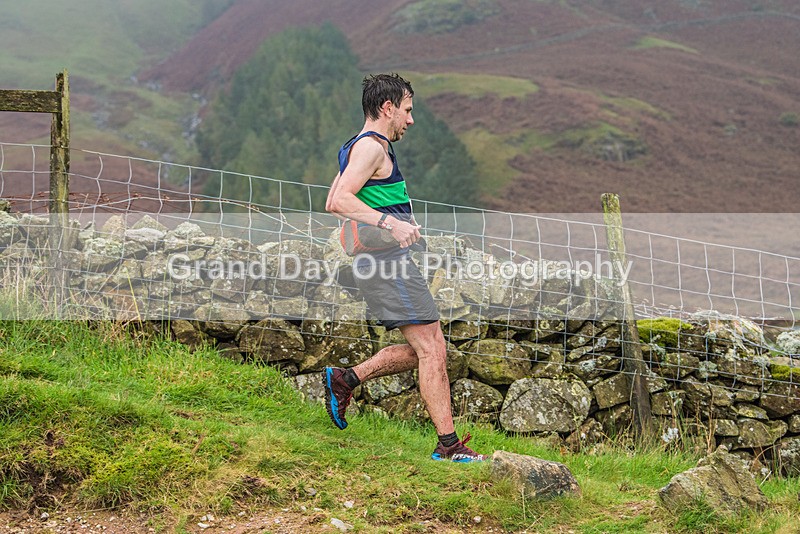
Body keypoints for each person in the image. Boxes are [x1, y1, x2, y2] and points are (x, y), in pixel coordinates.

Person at [324, 73, 485, 463]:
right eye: (407, 110)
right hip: (384, 264)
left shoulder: (355, 147)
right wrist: (389, 223)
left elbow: (334, 191)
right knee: (432, 350)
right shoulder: (372, 148)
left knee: (425, 349)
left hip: (382, 262)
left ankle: (346, 380)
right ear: (387, 108)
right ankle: (448, 446)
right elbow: (337, 202)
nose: (410, 120)